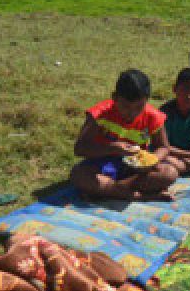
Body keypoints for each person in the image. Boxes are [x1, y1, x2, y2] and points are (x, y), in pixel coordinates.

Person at [71, 69, 178, 200]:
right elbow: (80, 148)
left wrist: (150, 162)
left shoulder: (153, 116)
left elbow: (164, 147)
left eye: (139, 107)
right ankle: (139, 195)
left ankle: (108, 190)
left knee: (170, 173)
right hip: (102, 165)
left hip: (135, 171)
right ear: (114, 98)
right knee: (79, 174)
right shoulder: (99, 114)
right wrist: (111, 148)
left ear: (147, 101)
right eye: (126, 106)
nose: (132, 113)